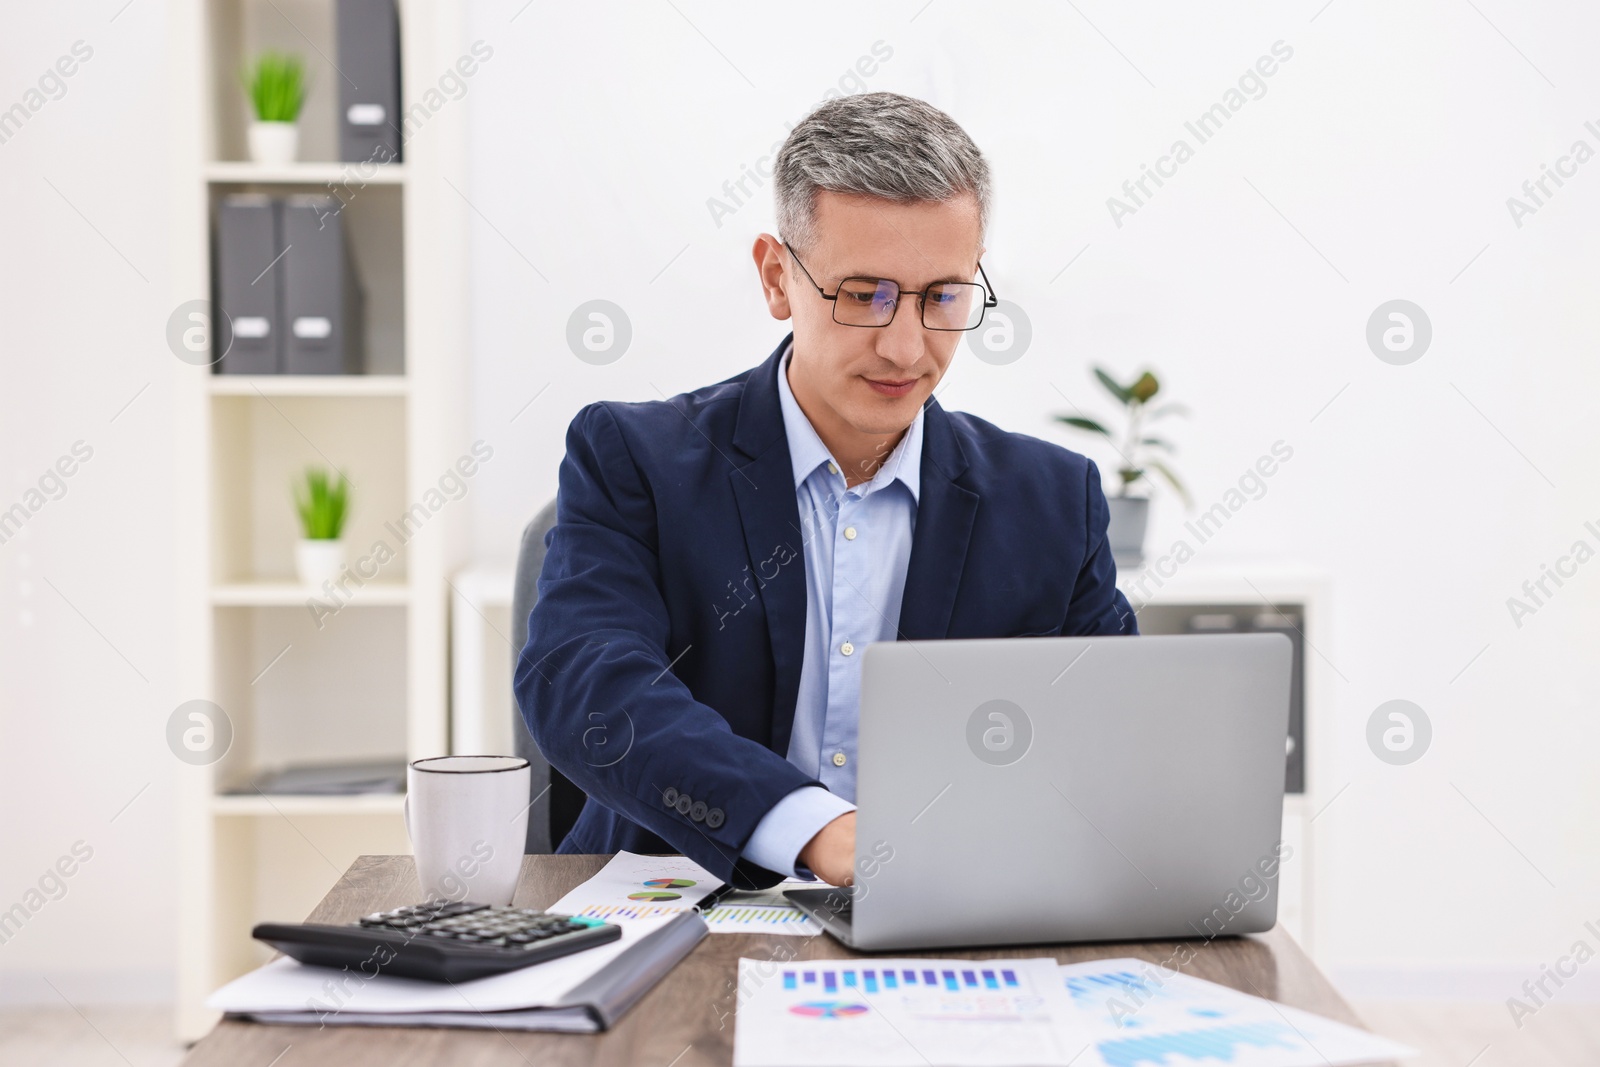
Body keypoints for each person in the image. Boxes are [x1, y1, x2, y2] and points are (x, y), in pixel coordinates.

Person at [516, 91, 1136, 891]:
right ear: (778, 279)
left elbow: (1115, 745)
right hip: (678, 905)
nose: (907, 346)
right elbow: (582, 679)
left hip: (955, 918)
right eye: (864, 293)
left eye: (942, 297)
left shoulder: (1053, 502)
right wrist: (815, 829)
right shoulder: (635, 459)